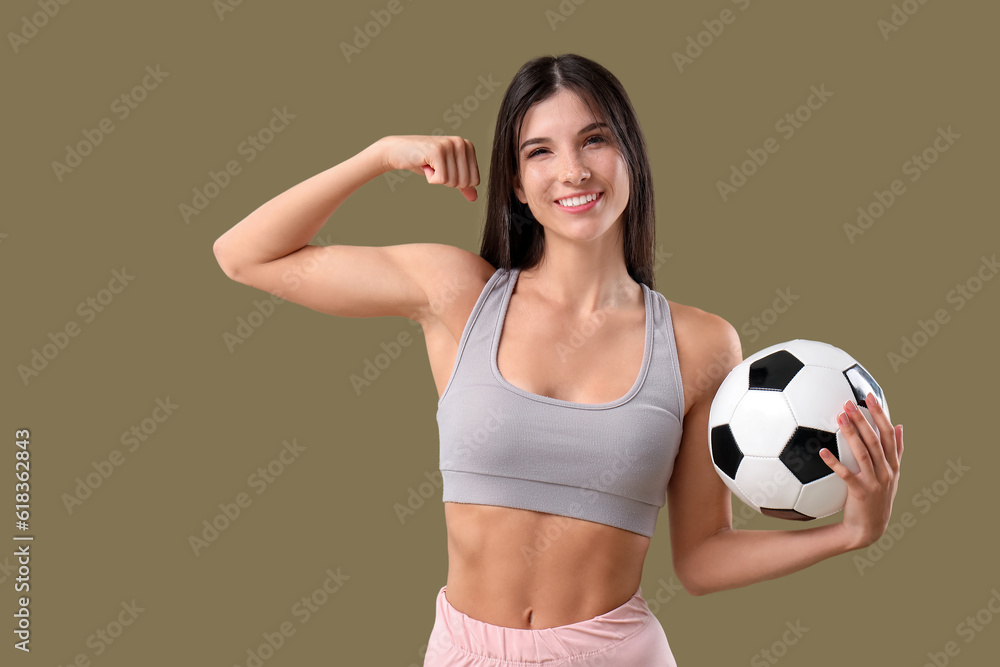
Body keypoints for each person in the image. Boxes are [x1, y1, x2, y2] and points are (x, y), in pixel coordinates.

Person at [213, 53, 904, 666]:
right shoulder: (457, 294)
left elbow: (700, 558)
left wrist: (849, 533)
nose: (572, 170)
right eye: (539, 151)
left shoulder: (699, 343)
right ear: (514, 182)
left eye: (594, 140)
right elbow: (245, 255)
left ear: (629, 155)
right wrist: (380, 154)